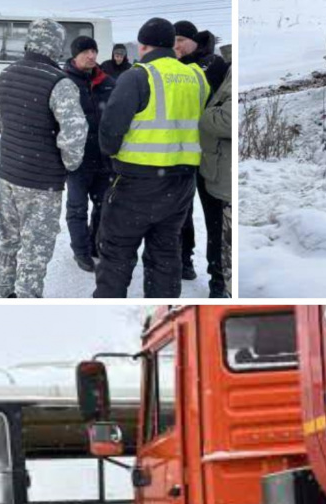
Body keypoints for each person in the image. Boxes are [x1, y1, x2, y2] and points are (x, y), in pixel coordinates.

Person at [94, 17, 209, 298]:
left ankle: (107, 318)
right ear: (171, 45)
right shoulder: (197, 77)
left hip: (137, 182)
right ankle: (162, 318)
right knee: (166, 255)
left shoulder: (137, 76)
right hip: (181, 184)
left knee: (117, 255)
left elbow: (110, 133)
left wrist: (111, 153)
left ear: (143, 46)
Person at [0, 18, 87, 298]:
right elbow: (74, 136)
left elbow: (0, 121)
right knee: (35, 251)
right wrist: (68, 165)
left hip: (7, 175)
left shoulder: (5, 75)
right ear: (56, 44)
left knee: (7, 242)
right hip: (42, 184)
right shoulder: (60, 82)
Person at [174, 20, 229, 296]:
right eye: (173, 41)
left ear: (196, 40)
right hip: (181, 153)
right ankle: (185, 259)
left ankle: (218, 280)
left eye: (181, 40)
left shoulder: (215, 65)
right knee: (181, 213)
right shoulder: (175, 67)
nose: (177, 46)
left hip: (210, 156)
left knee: (215, 221)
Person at [62, 35, 116, 273]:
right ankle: (81, 251)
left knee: (104, 205)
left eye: (94, 51)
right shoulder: (63, 82)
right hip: (76, 159)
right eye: (86, 52)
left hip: (104, 157)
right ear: (75, 55)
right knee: (77, 207)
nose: (92, 56)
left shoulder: (108, 82)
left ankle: (96, 244)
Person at [199, 44, 232, 297]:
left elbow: (227, 121)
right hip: (214, 169)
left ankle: (222, 284)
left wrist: (201, 112)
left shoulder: (228, 73)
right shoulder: (223, 71)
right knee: (218, 233)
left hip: (223, 175)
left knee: (223, 236)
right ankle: (219, 282)